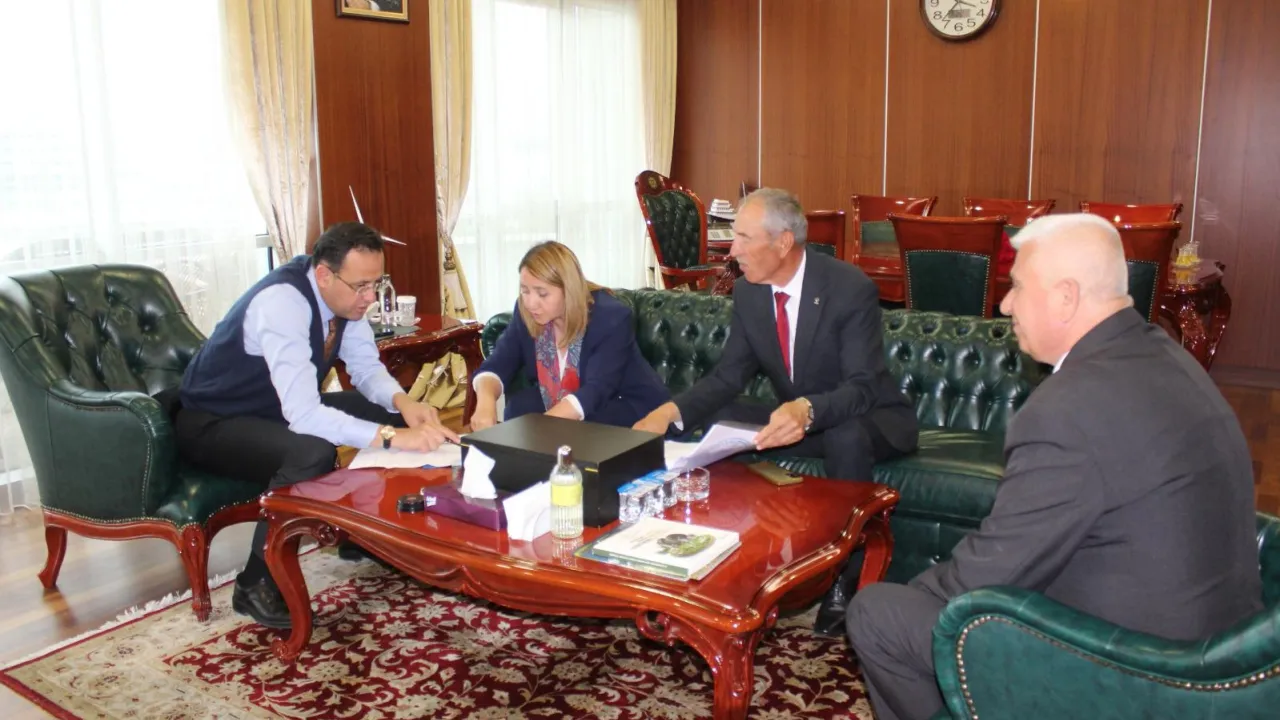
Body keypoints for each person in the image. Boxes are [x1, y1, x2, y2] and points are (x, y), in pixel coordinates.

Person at [846, 213, 1263, 720]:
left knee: (879, 614)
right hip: (1224, 653)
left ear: (1066, 297)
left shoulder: (1070, 407)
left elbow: (985, 576)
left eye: (1018, 287)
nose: (1005, 305)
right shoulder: (1168, 359)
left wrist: (912, 592)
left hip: (1144, 674)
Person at [632, 188, 919, 635]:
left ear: (783, 242)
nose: (732, 251)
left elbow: (862, 387)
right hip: (801, 421)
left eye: (743, 238)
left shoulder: (849, 288)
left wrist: (807, 409)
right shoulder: (749, 293)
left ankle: (843, 578)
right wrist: (668, 413)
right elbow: (729, 376)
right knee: (726, 417)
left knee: (845, 434)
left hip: (870, 417)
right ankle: (729, 556)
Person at [175, 222, 458, 629]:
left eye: (376, 284)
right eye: (361, 286)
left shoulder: (344, 301)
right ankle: (256, 581)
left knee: (389, 413)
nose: (370, 298)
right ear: (324, 274)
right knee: (311, 451)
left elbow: (365, 369)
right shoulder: (283, 303)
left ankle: (364, 534)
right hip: (214, 421)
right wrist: (395, 438)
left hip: (274, 409)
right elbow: (305, 416)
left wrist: (405, 404)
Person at [470, 240, 670, 430]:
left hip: (623, 404)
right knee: (519, 408)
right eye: (525, 291)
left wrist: (540, 431)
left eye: (542, 293)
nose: (530, 303)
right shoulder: (525, 312)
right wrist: (485, 403)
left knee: (583, 424)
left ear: (568, 289)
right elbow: (498, 363)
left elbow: (597, 390)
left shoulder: (610, 317)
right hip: (564, 401)